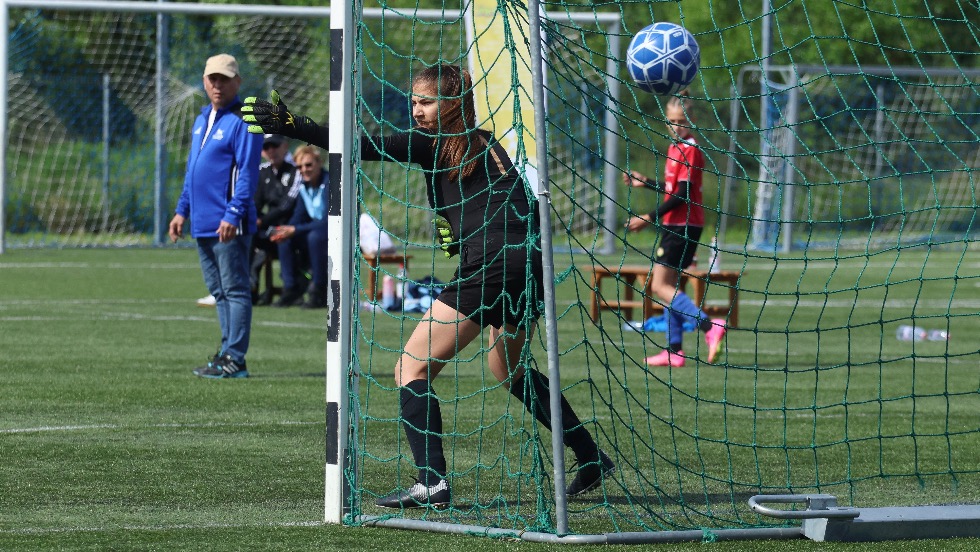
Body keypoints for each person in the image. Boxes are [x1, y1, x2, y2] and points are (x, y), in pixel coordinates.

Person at [243, 64, 614, 508]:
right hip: (528, 259)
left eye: (427, 101)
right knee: (509, 372)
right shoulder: (487, 142)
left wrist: (296, 125)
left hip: (493, 263)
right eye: (414, 100)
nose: (417, 110)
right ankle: (590, 456)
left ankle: (431, 482)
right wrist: (460, 232)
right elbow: (514, 204)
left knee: (410, 369)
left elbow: (360, 145)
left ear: (453, 104)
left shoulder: (433, 141)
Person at [169, 53, 263, 379]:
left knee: (235, 289)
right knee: (219, 291)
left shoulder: (244, 120)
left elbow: (248, 173)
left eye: (224, 78)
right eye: (212, 78)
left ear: (237, 82)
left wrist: (233, 213)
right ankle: (226, 354)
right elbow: (192, 172)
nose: (217, 84)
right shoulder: (201, 119)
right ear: (205, 81)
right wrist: (182, 210)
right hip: (203, 222)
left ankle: (235, 358)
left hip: (228, 223)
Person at [622, 92, 726, 368]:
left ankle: (709, 327)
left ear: (691, 121)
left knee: (660, 285)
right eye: (672, 121)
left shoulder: (690, 149)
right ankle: (675, 351)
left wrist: (648, 216)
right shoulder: (674, 148)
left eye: (682, 120)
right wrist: (646, 183)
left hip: (683, 225)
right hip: (679, 225)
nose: (677, 125)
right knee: (670, 286)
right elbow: (672, 189)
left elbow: (682, 196)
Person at [268, 145, 329, 309]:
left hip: (334, 233)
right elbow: (299, 216)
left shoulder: (330, 182)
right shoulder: (303, 186)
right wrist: (286, 230)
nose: (304, 170)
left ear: (319, 163)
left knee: (314, 237)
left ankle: (319, 289)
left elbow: (329, 221)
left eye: (308, 165)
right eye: (300, 167)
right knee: (284, 237)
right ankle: (291, 289)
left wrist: (295, 229)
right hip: (315, 230)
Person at [251, 133, 299, 306]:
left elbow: (287, 205)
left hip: (292, 226)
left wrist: (261, 221)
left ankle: (290, 289)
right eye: (266, 147)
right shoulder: (262, 171)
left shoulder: (296, 170)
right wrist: (255, 219)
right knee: (248, 235)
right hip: (269, 227)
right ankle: (250, 287)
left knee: (283, 238)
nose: (271, 150)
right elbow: (255, 202)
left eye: (275, 145)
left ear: (285, 146)